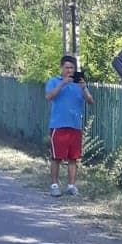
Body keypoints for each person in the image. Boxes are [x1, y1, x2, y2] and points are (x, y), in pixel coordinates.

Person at [44, 55, 93, 197]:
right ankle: (54, 185)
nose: (69, 70)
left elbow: (90, 101)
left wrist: (84, 88)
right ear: (61, 68)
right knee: (56, 157)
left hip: (75, 125)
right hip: (59, 125)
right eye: (66, 67)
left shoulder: (79, 84)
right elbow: (49, 97)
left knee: (73, 158)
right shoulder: (54, 81)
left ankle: (71, 185)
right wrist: (63, 83)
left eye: (72, 68)